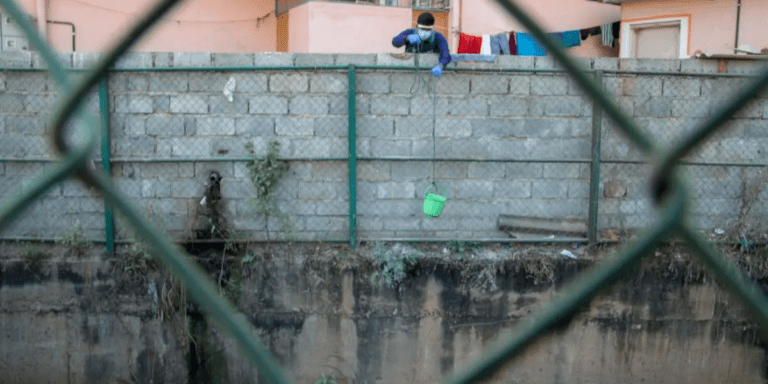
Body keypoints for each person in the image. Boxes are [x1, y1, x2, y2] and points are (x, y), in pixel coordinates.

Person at [391, 12, 451, 78]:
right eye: (422, 29)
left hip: (429, 72)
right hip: (410, 72)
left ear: (432, 28)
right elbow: (395, 42)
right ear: (417, 26)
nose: (425, 32)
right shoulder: (410, 32)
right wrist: (407, 38)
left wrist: (441, 65)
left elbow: (445, 53)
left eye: (428, 30)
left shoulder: (438, 37)